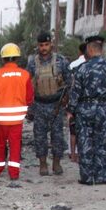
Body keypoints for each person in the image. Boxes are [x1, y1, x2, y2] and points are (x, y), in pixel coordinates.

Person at [68, 35, 106, 185]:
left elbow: (75, 92)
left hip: (85, 108)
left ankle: (87, 177)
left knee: (84, 142)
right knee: (102, 141)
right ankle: (102, 176)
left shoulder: (82, 68)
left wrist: (71, 110)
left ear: (89, 49)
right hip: (103, 107)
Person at [27, 31, 71, 176]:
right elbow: (28, 84)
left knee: (58, 136)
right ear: (38, 46)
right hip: (39, 104)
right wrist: (30, 108)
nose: (44, 48)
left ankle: (57, 163)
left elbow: (69, 82)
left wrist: (66, 99)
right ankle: (43, 164)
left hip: (56, 105)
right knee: (39, 137)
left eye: (46, 44)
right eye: (41, 45)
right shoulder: (32, 62)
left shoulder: (61, 60)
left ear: (51, 44)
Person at [0, 43, 33, 180]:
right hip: (17, 120)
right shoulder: (25, 74)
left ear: (3, 59)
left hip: (0, 120)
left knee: (0, 145)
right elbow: (30, 97)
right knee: (15, 146)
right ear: (17, 58)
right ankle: (14, 173)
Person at [68, 42, 87, 163]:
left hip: (75, 101)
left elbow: (69, 84)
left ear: (79, 52)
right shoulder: (93, 65)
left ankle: (73, 154)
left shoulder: (73, 65)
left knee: (73, 129)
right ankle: (83, 154)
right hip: (89, 103)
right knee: (86, 130)